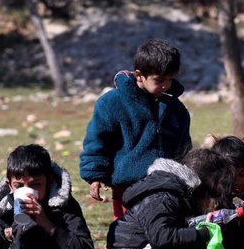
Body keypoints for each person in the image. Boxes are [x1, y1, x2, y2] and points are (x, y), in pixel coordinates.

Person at [106, 149, 234, 249]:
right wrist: (204, 234)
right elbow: (162, 237)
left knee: (190, 237)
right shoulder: (163, 196)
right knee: (196, 244)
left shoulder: (168, 189)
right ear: (203, 185)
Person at [80, 38, 192, 221]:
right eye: (160, 80)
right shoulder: (111, 103)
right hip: (128, 188)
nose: (166, 85)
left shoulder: (176, 109)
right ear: (139, 75)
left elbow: (183, 147)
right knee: (129, 240)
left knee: (165, 238)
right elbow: (97, 141)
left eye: (170, 79)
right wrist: (95, 175)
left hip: (167, 188)